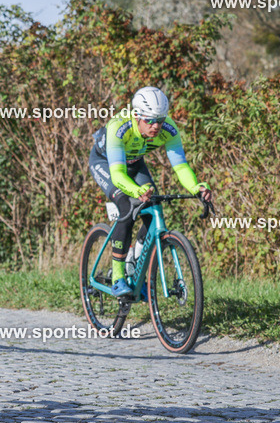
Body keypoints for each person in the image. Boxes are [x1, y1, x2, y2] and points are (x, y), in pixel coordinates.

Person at [89, 86, 213, 296]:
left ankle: (134, 265)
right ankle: (118, 277)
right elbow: (118, 175)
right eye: (150, 120)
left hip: (134, 163)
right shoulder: (119, 127)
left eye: (160, 120)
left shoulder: (168, 129)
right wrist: (135, 190)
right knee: (126, 206)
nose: (156, 126)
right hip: (106, 163)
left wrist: (196, 187)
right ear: (137, 115)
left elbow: (181, 166)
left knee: (153, 207)